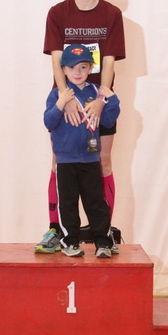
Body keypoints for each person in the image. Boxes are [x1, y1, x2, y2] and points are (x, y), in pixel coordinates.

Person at [38, 0, 126, 253]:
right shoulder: (57, 12)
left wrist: (101, 98)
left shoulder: (112, 14)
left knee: (102, 160)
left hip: (98, 101)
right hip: (67, 100)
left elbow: (110, 61)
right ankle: (57, 231)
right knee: (60, 162)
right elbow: (56, 60)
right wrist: (67, 99)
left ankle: (104, 233)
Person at [42, 44, 120, 258]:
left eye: (83, 67)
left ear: (91, 68)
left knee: (96, 203)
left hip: (90, 159)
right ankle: (70, 242)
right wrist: (60, 104)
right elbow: (48, 122)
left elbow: (108, 120)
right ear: (63, 70)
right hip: (65, 161)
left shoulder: (96, 93)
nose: (77, 72)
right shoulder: (57, 94)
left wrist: (111, 99)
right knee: (68, 205)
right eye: (72, 67)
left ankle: (103, 242)